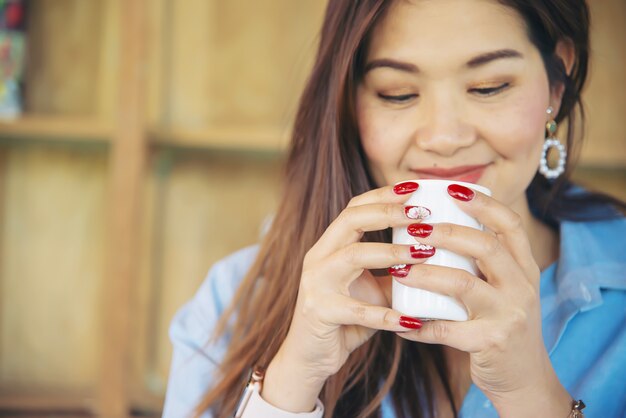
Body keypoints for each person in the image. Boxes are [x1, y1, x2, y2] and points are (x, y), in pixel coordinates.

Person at [163, 1, 626, 417]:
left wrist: (534, 398)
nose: (443, 137)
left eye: (488, 86)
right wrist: (293, 379)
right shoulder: (236, 303)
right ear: (350, 106)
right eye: (397, 93)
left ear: (556, 83)